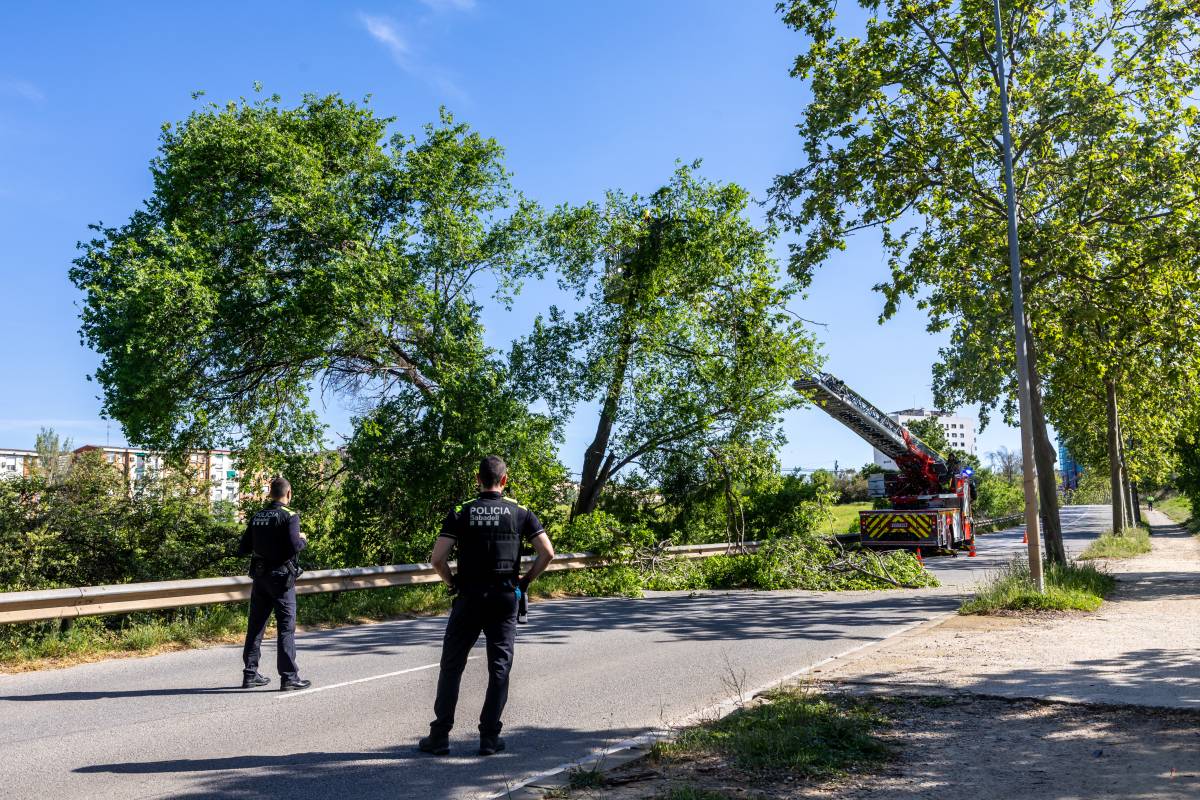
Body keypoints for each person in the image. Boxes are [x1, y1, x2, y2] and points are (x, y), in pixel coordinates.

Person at [419, 456, 555, 757]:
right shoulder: (521, 512)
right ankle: (489, 738)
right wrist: (524, 582)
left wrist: (452, 584)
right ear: (504, 480)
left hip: (468, 597)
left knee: (452, 666)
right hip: (504, 599)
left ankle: (439, 736)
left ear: (477, 479)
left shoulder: (461, 511)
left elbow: (437, 559)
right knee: (499, 667)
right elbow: (547, 553)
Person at [238, 476, 312, 691]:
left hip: (260, 577)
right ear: (288, 493)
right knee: (286, 628)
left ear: (270, 493)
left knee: (256, 626)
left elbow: (243, 548)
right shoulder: (290, 515)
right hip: (281, 579)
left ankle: (250, 674)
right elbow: (295, 545)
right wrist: (303, 539)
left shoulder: (257, 516)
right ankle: (289, 677)